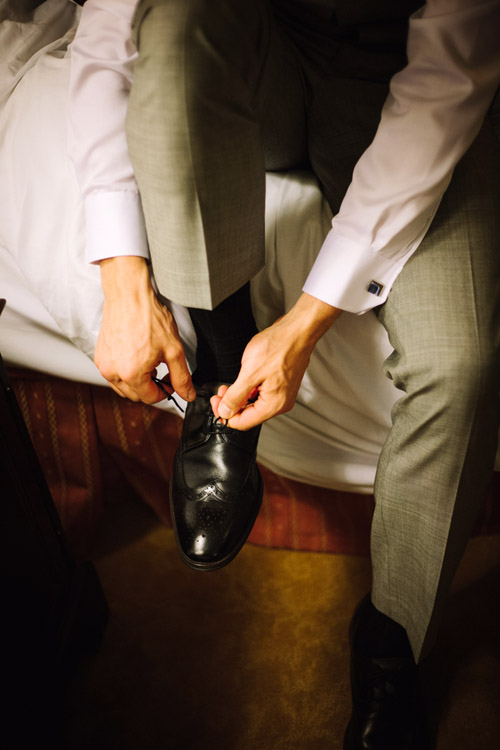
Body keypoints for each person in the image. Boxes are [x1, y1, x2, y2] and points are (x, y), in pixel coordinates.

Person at [68, 0, 500, 747]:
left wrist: (307, 319)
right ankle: (222, 373)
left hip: (404, 69)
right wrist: (123, 279)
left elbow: (447, 78)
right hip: (256, 45)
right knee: (174, 28)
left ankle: (391, 641)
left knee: (461, 362)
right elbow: (109, 38)